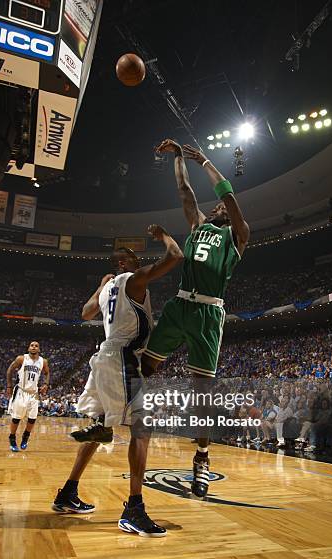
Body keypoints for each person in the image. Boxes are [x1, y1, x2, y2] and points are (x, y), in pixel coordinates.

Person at [52, 224, 183, 538]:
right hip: (120, 357)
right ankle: (134, 509)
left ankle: (67, 492)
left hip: (104, 358)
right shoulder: (134, 280)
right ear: (133, 265)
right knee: (142, 428)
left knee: (100, 427)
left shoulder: (110, 286)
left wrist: (100, 286)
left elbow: (85, 313)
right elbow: (176, 256)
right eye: (133, 260)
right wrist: (164, 235)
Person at [141, 139, 250, 498]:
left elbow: (230, 196)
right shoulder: (198, 225)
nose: (219, 204)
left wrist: (204, 160)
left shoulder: (237, 236)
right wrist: (177, 158)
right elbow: (184, 190)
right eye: (216, 204)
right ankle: (126, 418)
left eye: (222, 204)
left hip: (207, 313)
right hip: (179, 306)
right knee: (144, 366)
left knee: (202, 391)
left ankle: (202, 457)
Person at [6, 341, 49, 452]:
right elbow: (10, 370)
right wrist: (9, 386)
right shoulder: (21, 359)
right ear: (28, 348)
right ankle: (12, 438)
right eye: (32, 345)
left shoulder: (43, 361)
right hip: (21, 391)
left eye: (36, 346)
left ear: (39, 349)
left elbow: (47, 373)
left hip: (34, 394)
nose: (34, 347)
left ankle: (25, 437)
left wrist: (46, 384)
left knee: (32, 419)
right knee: (16, 418)